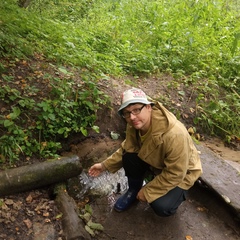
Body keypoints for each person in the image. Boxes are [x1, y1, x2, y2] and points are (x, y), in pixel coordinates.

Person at [88, 88, 202, 217]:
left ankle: (177, 194)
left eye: (137, 109)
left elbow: (176, 173)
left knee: (161, 206)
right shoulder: (134, 124)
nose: (132, 117)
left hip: (182, 172)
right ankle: (133, 190)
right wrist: (104, 165)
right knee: (128, 156)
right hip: (157, 162)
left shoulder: (174, 134)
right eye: (127, 113)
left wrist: (148, 191)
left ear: (148, 107)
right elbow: (128, 148)